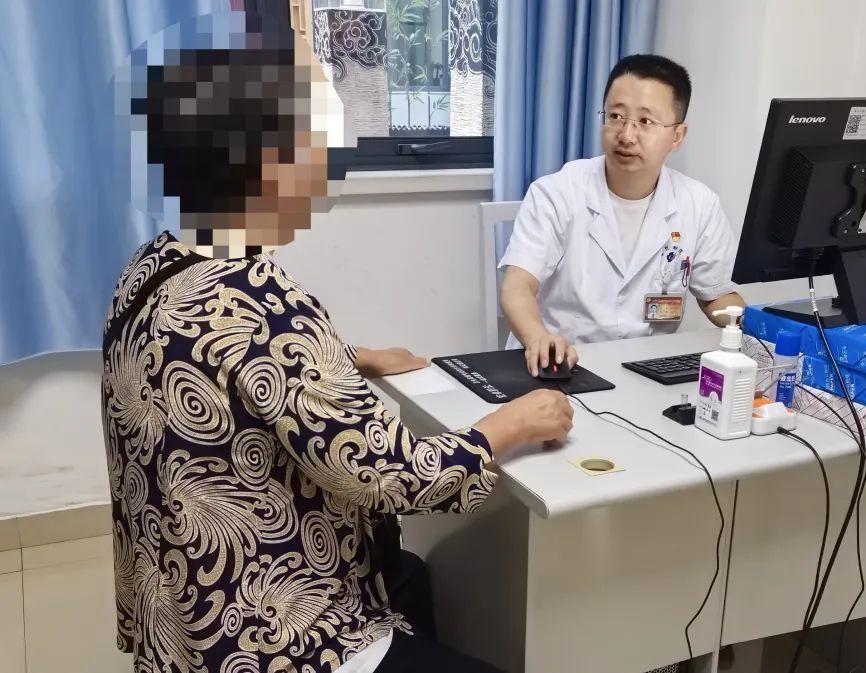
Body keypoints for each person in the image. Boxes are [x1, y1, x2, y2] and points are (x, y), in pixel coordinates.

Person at [101, 14, 573, 673]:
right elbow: (392, 473)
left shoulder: (151, 268)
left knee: (410, 576)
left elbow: (220, 364)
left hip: (176, 614)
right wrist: (509, 425)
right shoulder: (260, 299)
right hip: (266, 638)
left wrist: (348, 358)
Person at [499, 54, 746, 377]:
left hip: (646, 371)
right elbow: (517, 287)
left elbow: (716, 295)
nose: (627, 135)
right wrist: (538, 339)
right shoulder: (556, 192)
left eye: (645, 122)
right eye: (616, 116)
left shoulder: (698, 203)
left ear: (677, 136)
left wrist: (768, 327)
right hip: (559, 367)